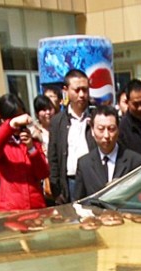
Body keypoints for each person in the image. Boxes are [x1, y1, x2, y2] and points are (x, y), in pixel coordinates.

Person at [0, 93, 50, 211]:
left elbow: (43, 173)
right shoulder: (0, 141)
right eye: (14, 117)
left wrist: (31, 148)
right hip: (11, 208)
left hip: (35, 206)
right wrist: (11, 125)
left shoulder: (33, 139)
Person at [72, 106, 141, 201]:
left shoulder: (135, 161)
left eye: (111, 129)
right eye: (101, 129)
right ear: (92, 131)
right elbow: (78, 201)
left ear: (118, 130)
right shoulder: (84, 163)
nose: (106, 135)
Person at [47, 69, 95, 204]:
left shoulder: (96, 117)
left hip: (94, 180)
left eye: (85, 90)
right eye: (77, 90)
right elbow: (53, 157)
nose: (82, 95)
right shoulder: (58, 121)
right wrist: (56, 189)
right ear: (66, 90)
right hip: (70, 182)